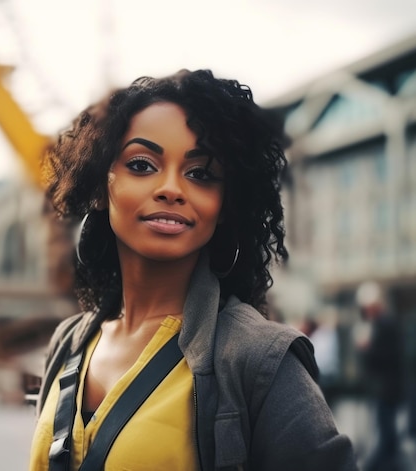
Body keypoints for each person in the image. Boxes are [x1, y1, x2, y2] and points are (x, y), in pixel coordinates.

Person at [29, 69, 357, 470]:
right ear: (100, 186)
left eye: (200, 174)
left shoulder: (258, 361)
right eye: (142, 164)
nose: (172, 188)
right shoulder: (69, 341)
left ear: (224, 207)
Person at [355, 281, 403, 471]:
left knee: (386, 427)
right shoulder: (384, 323)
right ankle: (388, 460)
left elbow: (386, 355)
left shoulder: (385, 324)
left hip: (387, 386)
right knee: (387, 426)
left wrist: (367, 349)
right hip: (387, 385)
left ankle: (385, 463)